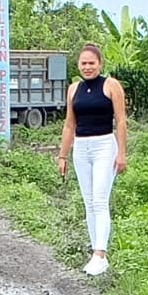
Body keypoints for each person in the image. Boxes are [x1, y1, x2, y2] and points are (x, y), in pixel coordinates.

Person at [56, 42, 127, 276]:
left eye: (91, 63)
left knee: (99, 199)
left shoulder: (111, 85)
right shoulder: (73, 89)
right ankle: (95, 252)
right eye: (83, 63)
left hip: (104, 145)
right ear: (78, 65)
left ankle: (100, 254)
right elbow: (69, 124)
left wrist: (122, 153)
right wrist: (62, 155)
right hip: (81, 147)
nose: (87, 67)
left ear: (99, 63)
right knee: (88, 202)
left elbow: (121, 120)